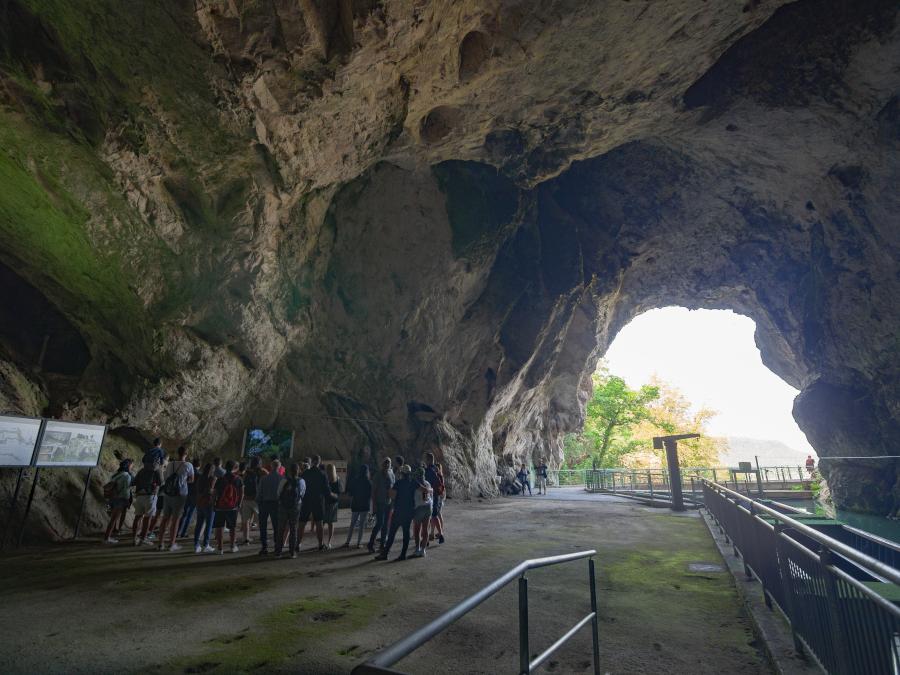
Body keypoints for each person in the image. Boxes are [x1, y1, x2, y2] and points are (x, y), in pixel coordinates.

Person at [158, 446, 195, 551]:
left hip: (168, 494)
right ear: (186, 454)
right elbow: (192, 480)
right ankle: (172, 544)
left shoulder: (170, 464)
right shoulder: (188, 465)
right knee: (175, 520)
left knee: (165, 519)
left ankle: (160, 544)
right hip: (180, 495)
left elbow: (165, 477)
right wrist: (182, 482)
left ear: (177, 453)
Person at [375, 464, 415, 561]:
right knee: (406, 534)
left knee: (392, 533)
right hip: (409, 512)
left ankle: (385, 554)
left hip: (398, 512)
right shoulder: (413, 483)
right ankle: (403, 555)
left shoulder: (399, 483)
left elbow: (392, 496)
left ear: (402, 473)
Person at [298, 455, 329, 551]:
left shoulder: (305, 473)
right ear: (319, 462)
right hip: (318, 501)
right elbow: (326, 490)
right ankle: (320, 544)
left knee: (302, 523)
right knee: (319, 522)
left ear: (312, 462)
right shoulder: (322, 474)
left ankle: (297, 543)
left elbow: (301, 486)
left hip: (306, 500)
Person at [213, 459, 243, 554]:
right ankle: (232, 546)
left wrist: (214, 503)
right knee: (232, 527)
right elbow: (242, 493)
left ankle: (220, 548)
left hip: (220, 506)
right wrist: (239, 504)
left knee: (219, 527)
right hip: (232, 507)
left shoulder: (221, 478)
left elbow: (215, 492)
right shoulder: (238, 479)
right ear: (235, 468)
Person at [275, 462, 306, 558]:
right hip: (295, 507)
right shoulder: (301, 481)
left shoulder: (284, 480)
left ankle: (278, 552)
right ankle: (292, 552)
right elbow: (302, 494)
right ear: (298, 471)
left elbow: (278, 492)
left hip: (283, 507)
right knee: (293, 529)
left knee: (281, 529)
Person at [132, 460, 164, 545]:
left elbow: (134, 482)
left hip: (139, 495)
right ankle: (143, 538)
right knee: (147, 518)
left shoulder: (142, 470)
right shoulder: (157, 470)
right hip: (150, 495)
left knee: (137, 517)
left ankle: (134, 538)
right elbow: (161, 482)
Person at [103, 459, 133, 544]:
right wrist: (127, 500)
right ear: (128, 466)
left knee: (113, 519)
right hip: (120, 500)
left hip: (112, 498)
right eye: (131, 465)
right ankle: (107, 538)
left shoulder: (116, 475)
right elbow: (125, 490)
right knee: (114, 519)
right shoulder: (127, 476)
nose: (132, 466)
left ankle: (108, 536)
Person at [368, 458, 394, 553]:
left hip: (389, 503)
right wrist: (374, 504)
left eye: (389, 464)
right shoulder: (378, 475)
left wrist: (393, 502)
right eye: (385, 464)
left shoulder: (391, 474)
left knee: (386, 525)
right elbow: (373, 491)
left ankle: (382, 544)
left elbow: (393, 487)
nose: (387, 465)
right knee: (379, 524)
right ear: (382, 465)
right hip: (380, 503)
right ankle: (370, 544)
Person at [257, 459, 282, 555]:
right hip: (276, 504)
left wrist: (258, 502)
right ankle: (276, 546)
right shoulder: (281, 478)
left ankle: (264, 547)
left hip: (264, 503)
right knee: (276, 526)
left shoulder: (264, 478)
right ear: (279, 467)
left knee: (263, 526)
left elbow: (259, 493)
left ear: (271, 467)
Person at [344, 464, 371, 548]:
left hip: (355, 504)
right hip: (364, 505)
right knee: (362, 525)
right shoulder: (368, 482)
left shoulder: (355, 480)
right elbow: (370, 495)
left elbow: (351, 493)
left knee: (352, 524)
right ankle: (359, 543)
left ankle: (347, 542)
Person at [241, 456, 267, 546]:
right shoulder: (262, 471)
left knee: (246, 520)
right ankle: (262, 537)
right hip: (257, 499)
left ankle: (246, 538)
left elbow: (243, 484)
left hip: (246, 499)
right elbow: (268, 478)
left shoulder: (246, 472)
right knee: (261, 520)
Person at [193, 463, 217, 553]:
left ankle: (196, 544)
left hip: (199, 503)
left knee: (199, 524)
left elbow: (198, 490)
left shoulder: (200, 478)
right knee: (209, 525)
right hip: (209, 503)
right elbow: (210, 491)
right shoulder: (213, 478)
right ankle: (206, 544)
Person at [411, 467, 433, 558]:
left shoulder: (415, 483)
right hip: (428, 507)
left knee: (417, 530)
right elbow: (429, 494)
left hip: (419, 508)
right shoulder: (427, 483)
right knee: (425, 529)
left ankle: (417, 549)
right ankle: (423, 550)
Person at [177, 457, 202, 538]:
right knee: (189, 515)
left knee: (184, 514)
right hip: (194, 496)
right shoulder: (199, 474)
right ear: (200, 465)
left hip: (186, 493)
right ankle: (183, 533)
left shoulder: (188, 471)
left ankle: (177, 531)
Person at [424, 456, 446, 544]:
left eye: (426, 459)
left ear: (428, 460)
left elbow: (425, 483)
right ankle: (440, 535)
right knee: (435, 516)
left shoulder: (428, 470)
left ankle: (427, 539)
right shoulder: (437, 470)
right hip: (437, 496)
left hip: (429, 495)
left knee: (427, 517)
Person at [322, 463, 342, 550]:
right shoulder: (337, 479)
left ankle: (322, 542)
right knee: (331, 523)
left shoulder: (325, 479)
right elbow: (340, 493)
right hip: (333, 503)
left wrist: (330, 494)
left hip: (326, 503)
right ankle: (329, 542)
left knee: (322, 523)